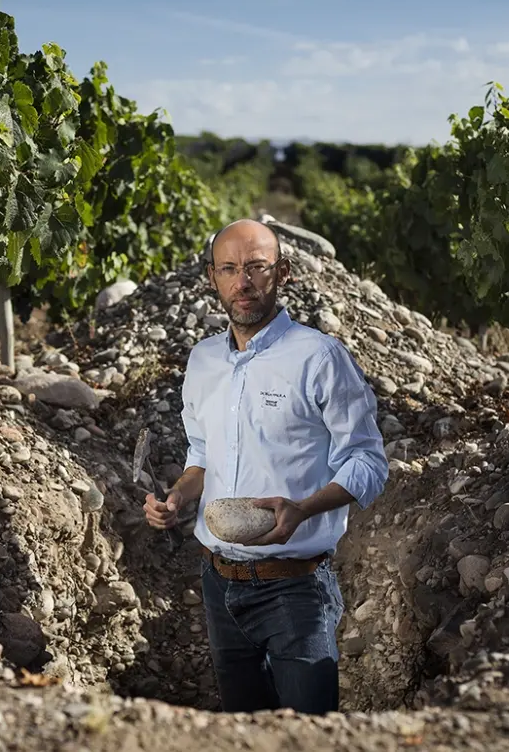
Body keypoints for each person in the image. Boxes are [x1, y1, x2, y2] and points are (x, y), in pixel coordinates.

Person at [143, 218, 389, 715]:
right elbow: (203, 458)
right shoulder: (203, 361)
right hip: (218, 585)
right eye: (230, 269)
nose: (244, 282)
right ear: (212, 277)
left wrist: (302, 508)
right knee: (244, 728)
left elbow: (368, 461)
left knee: (306, 732)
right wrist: (176, 499)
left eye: (257, 267)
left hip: (295, 590)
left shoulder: (319, 357)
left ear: (283, 273)